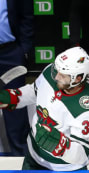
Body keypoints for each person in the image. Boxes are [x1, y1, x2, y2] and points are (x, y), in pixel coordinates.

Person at [0, 47, 89, 170]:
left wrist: (60, 145)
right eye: (57, 71)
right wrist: (13, 98)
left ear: (77, 79)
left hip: (66, 169)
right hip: (34, 157)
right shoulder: (51, 72)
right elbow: (34, 92)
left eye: (63, 75)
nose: (57, 77)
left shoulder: (88, 105)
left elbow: (83, 153)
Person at [0, 0, 33, 155]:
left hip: (10, 53)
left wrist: (24, 49)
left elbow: (27, 17)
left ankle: (20, 157)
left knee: (15, 106)